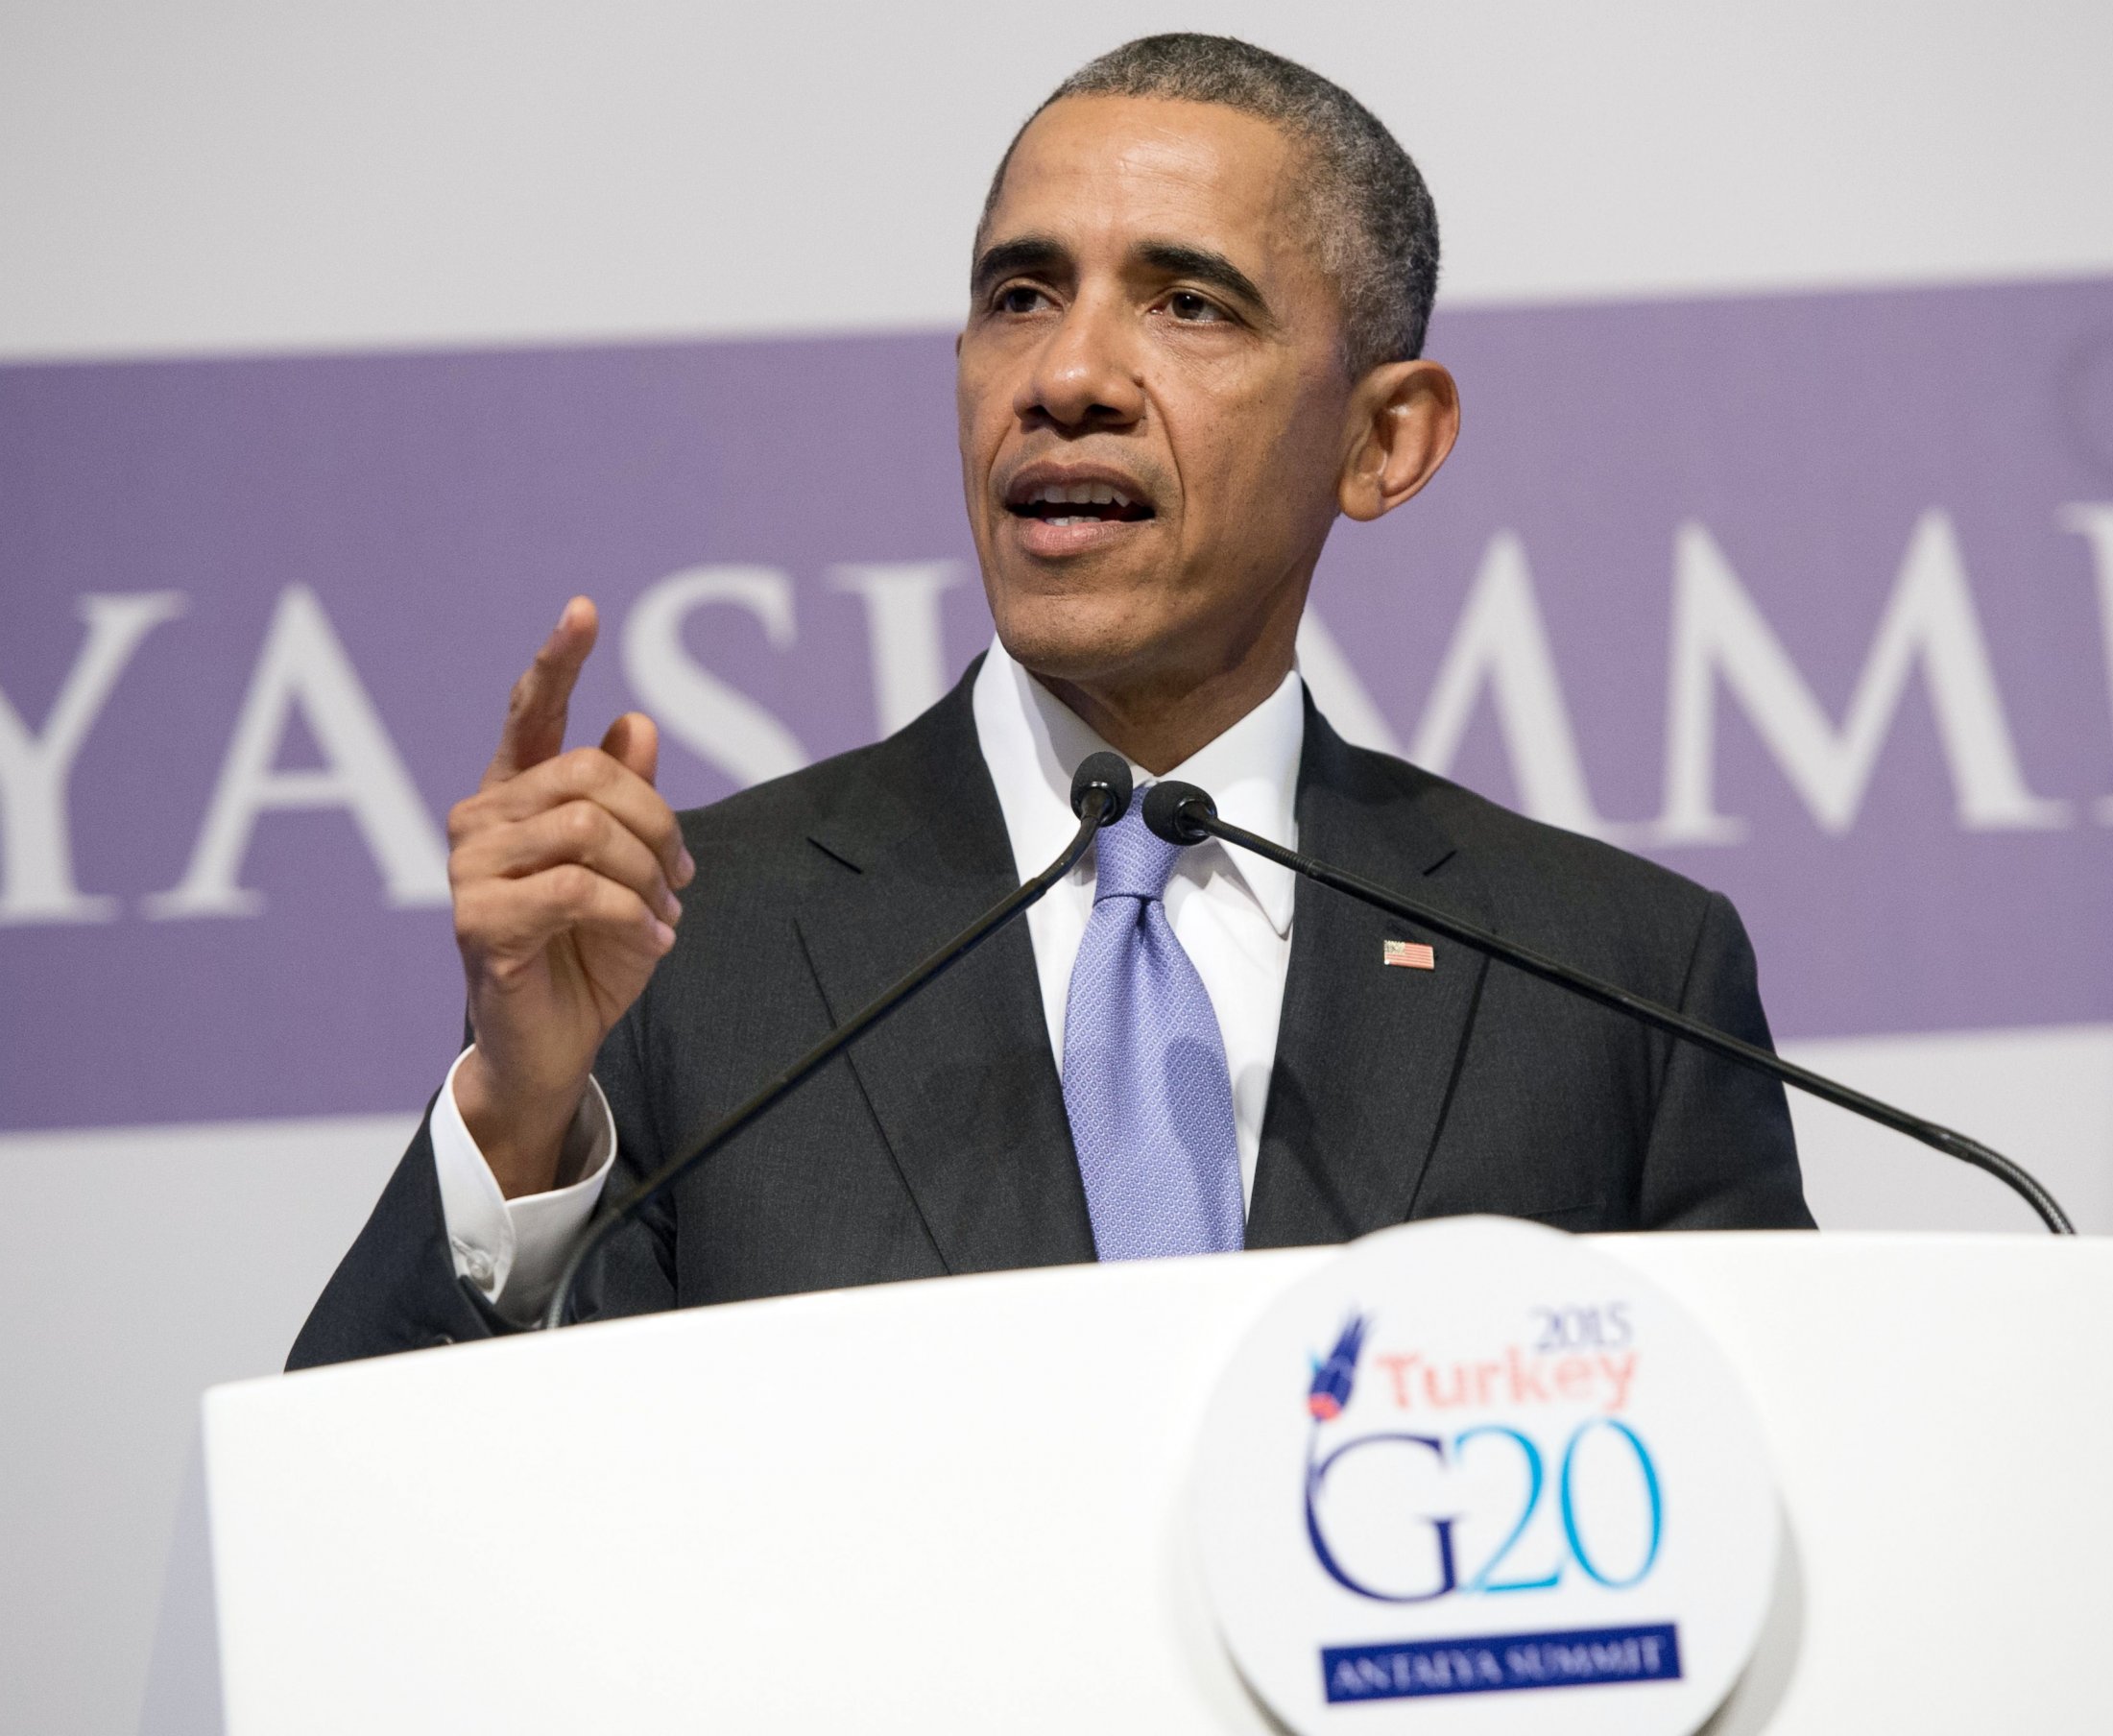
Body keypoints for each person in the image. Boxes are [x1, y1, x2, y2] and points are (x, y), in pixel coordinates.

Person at [290, 34, 1810, 1369]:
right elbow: (369, 1537)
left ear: (1384, 440)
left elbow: (1771, 1496)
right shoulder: (681, 947)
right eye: (1021, 296)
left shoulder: (1612, 979)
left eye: (1189, 305)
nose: (1068, 372)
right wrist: (519, 1113)